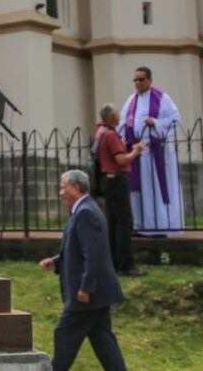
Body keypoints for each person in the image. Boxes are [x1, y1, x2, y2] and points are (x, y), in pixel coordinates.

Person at [39, 170, 127, 371]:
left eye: (64, 187)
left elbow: (93, 254)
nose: (61, 192)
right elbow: (78, 248)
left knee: (64, 334)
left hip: (87, 294)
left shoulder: (85, 212)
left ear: (77, 188)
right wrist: (56, 261)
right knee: (103, 340)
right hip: (97, 293)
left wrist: (85, 288)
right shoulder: (84, 209)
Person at [118, 67, 183, 236]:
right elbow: (123, 122)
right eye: (135, 80)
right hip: (136, 151)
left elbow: (175, 120)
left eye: (141, 79)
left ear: (150, 81)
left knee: (154, 188)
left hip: (154, 152)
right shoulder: (131, 100)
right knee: (137, 189)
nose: (137, 83)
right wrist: (123, 138)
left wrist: (155, 122)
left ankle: (159, 225)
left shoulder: (162, 98)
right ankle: (139, 226)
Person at [94, 104, 145, 276]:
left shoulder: (101, 133)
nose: (119, 116)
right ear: (113, 118)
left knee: (114, 223)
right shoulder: (111, 135)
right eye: (117, 114)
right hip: (118, 179)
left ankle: (114, 263)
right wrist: (136, 151)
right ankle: (126, 265)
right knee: (124, 223)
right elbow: (122, 160)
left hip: (108, 181)